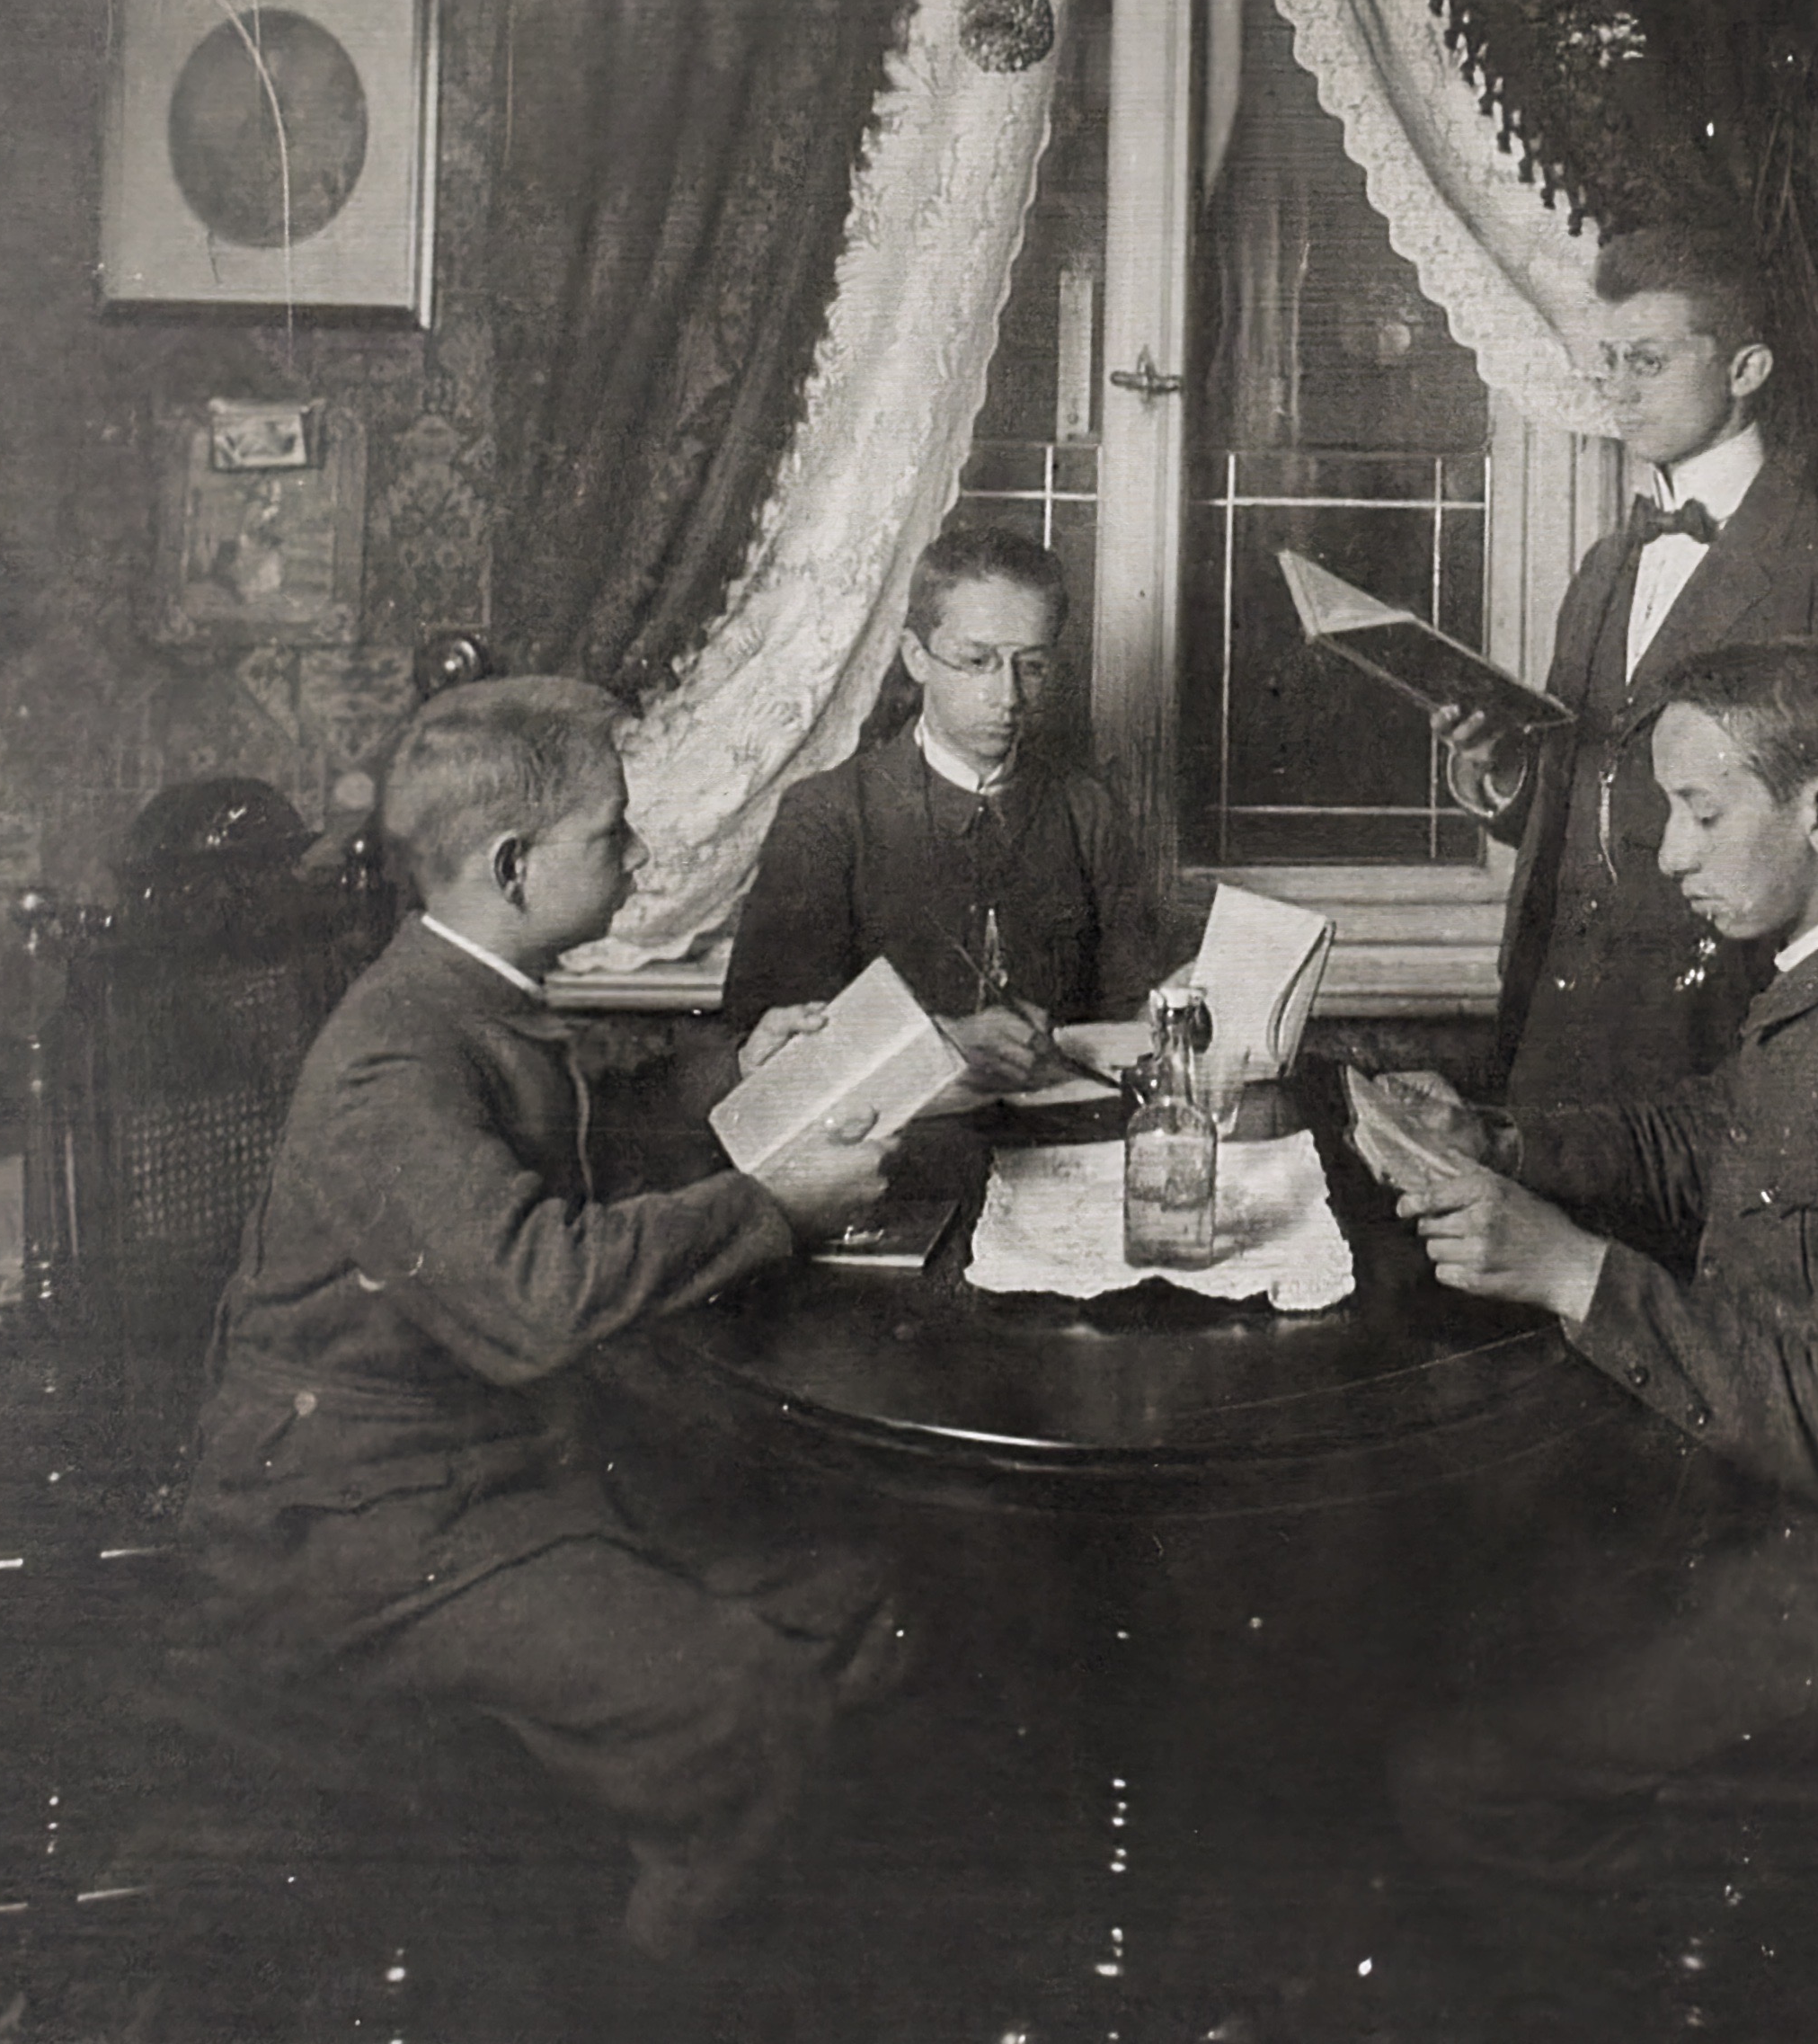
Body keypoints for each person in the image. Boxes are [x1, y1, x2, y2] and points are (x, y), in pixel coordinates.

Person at [181, 677, 904, 1962]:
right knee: (741, 1705)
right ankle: (652, 1987)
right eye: (613, 833)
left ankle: (733, 1913)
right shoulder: (396, 1058)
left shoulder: (471, 995)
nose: (642, 853)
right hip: (355, 1520)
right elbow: (539, 1289)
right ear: (514, 866)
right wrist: (774, 1207)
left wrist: (742, 1076)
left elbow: (568, 1143)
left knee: (858, 1601)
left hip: (496, 1468)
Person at [1378, 641, 1818, 1887]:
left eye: (1700, 812)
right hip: (1777, 1529)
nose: (1671, 855)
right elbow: (1704, 1136)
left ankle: (1721, 1945)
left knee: (1452, 1769)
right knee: (1443, 1612)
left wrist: (1575, 1273)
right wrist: (1500, 1140)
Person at [1438, 227, 1818, 1121]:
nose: (1618, 389)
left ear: (1746, 369)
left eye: (1648, 362)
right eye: (1610, 361)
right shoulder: (1603, 565)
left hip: (1716, 1038)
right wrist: (1502, 767)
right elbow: (1584, 798)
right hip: (1553, 1025)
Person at [724, 521, 1171, 1086]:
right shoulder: (826, 816)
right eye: (977, 662)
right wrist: (941, 1044)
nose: (1008, 697)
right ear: (917, 657)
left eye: (1031, 666)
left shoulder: (1087, 811)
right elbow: (771, 1041)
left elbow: (1129, 1011)